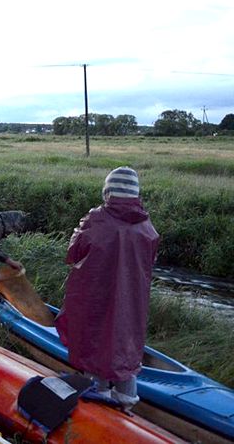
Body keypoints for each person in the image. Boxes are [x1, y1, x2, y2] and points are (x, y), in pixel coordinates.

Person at [55, 167, 159, 409]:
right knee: (125, 341)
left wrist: (78, 232)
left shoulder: (97, 219)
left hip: (96, 294)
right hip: (132, 299)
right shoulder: (146, 226)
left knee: (95, 339)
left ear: (108, 191)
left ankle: (99, 394)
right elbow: (149, 261)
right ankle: (126, 402)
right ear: (136, 193)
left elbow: (74, 253)